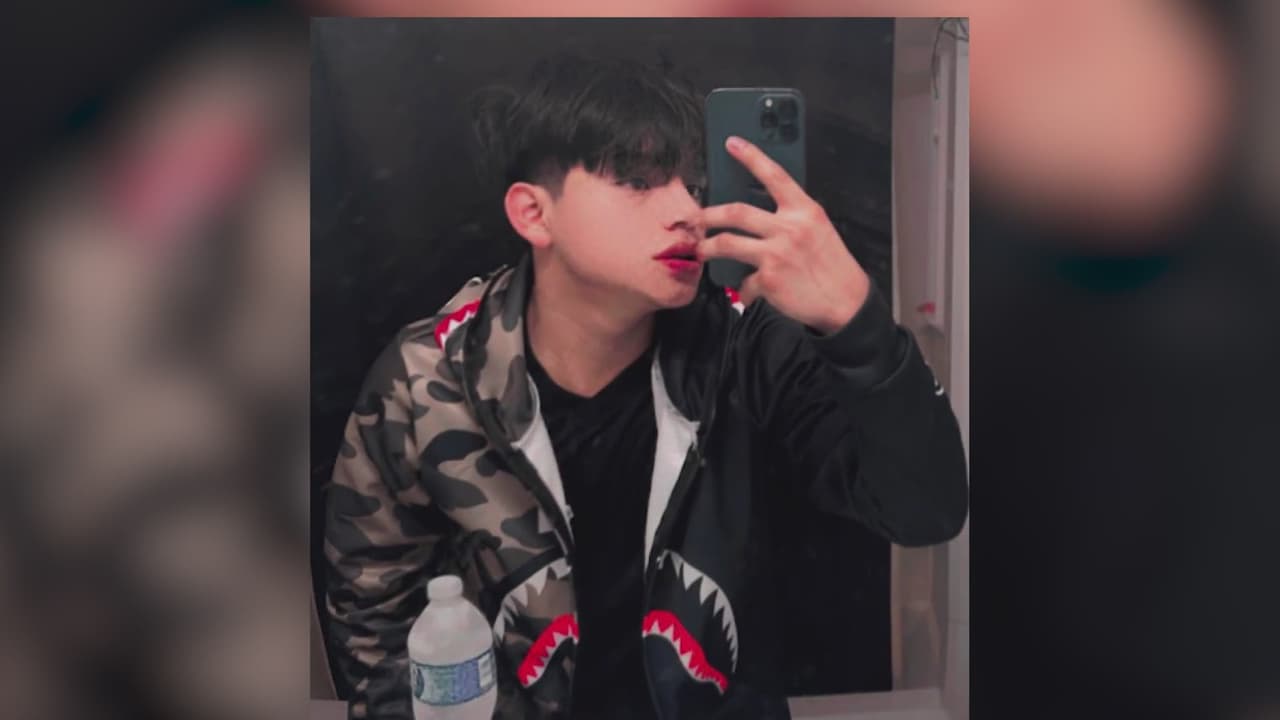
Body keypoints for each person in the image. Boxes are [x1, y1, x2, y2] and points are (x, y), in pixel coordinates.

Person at [324, 54, 968, 720]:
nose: (689, 211)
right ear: (533, 213)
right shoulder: (427, 377)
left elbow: (927, 511)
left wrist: (858, 325)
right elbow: (374, 621)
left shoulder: (744, 343)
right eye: (637, 180)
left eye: (694, 184)